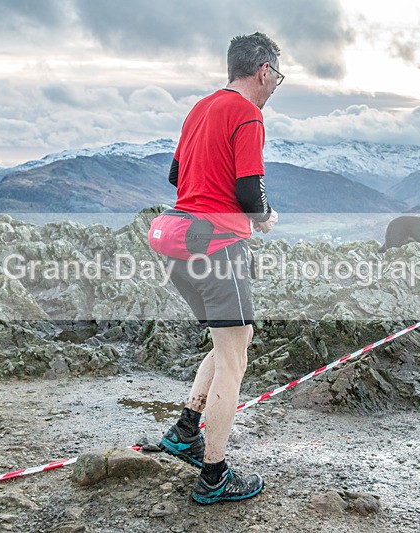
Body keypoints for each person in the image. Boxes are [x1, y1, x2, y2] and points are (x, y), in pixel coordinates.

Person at [156, 32, 281, 505]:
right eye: (276, 77)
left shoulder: (200, 108)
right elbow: (250, 192)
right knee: (235, 356)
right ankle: (214, 474)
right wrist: (264, 216)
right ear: (263, 71)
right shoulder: (248, 113)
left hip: (177, 243)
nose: (274, 87)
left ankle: (186, 429)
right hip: (218, 245)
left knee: (232, 337)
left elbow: (176, 175)